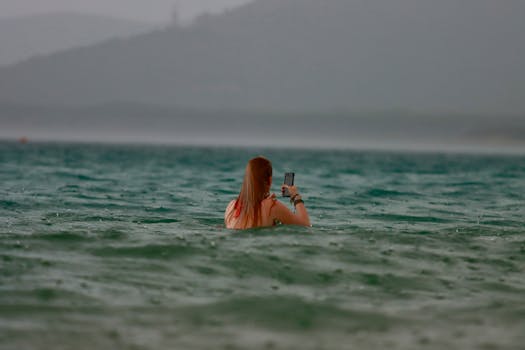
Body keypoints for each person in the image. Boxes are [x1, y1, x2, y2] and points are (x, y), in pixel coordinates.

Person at [224, 156, 311, 229]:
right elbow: (305, 226)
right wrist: (296, 196)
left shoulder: (231, 206)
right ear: (269, 180)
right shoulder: (272, 206)